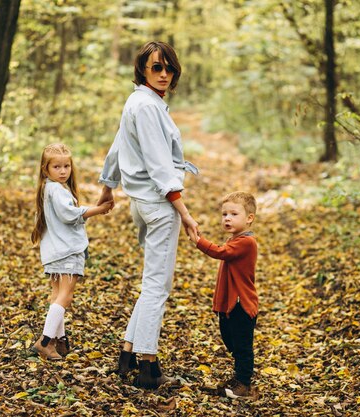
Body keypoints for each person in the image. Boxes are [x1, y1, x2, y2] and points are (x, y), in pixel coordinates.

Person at [97, 41, 200, 388]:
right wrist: (184, 212)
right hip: (158, 205)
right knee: (158, 286)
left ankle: (127, 355)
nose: (164, 74)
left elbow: (117, 145)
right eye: (157, 67)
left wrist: (108, 184)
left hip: (141, 203)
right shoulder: (146, 106)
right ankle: (148, 366)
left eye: (169, 67)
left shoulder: (141, 102)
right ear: (142, 68)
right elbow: (158, 164)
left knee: (151, 284)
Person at [31, 143, 113, 360]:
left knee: (57, 295)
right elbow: (70, 215)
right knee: (65, 297)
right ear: (45, 169)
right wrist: (99, 210)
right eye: (56, 167)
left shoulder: (50, 189)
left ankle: (60, 341)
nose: (63, 171)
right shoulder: (56, 190)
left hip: (56, 251)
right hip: (66, 251)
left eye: (66, 166)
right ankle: (45, 341)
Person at [189, 191, 259, 399]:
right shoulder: (235, 239)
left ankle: (244, 385)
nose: (227, 218)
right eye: (224, 214)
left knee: (242, 345)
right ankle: (239, 377)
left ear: (249, 218)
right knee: (231, 340)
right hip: (229, 304)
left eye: (234, 214)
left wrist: (198, 240)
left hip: (241, 304)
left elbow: (221, 252)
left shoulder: (246, 242)